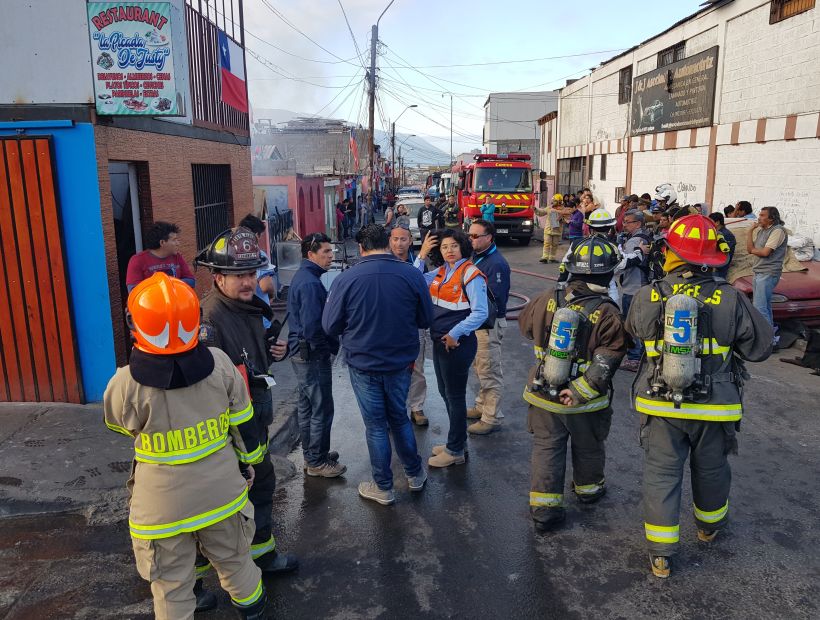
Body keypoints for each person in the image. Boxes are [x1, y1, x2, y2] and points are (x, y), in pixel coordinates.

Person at [104, 273, 267, 620]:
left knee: (170, 588)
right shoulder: (221, 364)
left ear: (136, 325)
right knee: (239, 565)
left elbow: (119, 425)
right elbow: (244, 424)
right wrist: (249, 463)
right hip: (222, 495)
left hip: (158, 509)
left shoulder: (124, 383)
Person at [624, 214, 773, 579]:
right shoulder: (729, 298)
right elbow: (760, 348)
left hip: (661, 403)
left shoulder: (648, 294)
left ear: (672, 252)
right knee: (711, 468)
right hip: (714, 406)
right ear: (713, 256)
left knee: (661, 473)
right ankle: (709, 527)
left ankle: (661, 555)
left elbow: (632, 337)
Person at [195, 227, 298, 576]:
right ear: (217, 277)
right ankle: (248, 563)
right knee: (242, 493)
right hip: (231, 431)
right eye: (239, 275)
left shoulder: (246, 308)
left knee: (259, 487)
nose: (248, 282)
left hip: (253, 421)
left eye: (252, 273)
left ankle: (260, 554)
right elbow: (211, 389)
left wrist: (275, 353)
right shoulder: (210, 320)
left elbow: (252, 361)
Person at [519, 236, 626, 532]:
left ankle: (544, 512)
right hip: (585, 402)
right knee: (589, 447)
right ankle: (588, 491)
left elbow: (527, 329)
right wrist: (581, 391)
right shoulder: (608, 311)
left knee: (546, 449)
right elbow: (611, 355)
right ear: (609, 272)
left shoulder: (546, 297)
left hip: (543, 394)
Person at [322, 224, 433, 505]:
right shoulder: (411, 274)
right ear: (388, 242)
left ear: (361, 248)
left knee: (375, 426)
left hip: (363, 364)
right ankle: (415, 474)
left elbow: (330, 325)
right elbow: (425, 319)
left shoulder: (346, 279)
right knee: (399, 417)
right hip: (400, 363)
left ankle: (383, 487)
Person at [416, 229, 489, 467]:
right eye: (444, 247)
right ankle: (456, 442)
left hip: (457, 344)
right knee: (446, 393)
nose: (449, 250)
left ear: (463, 247)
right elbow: (413, 280)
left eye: (453, 246)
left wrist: (455, 333)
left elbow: (481, 312)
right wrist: (422, 255)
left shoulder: (470, 273)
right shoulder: (442, 271)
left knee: (455, 396)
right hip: (440, 342)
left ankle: (456, 449)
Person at [288, 233, 344, 478]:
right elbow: (313, 327)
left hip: (303, 353)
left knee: (308, 407)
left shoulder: (306, 277)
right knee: (320, 408)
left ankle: (314, 455)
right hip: (311, 355)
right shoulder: (310, 283)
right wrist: (326, 350)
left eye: (331, 252)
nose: (331, 257)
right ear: (311, 254)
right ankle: (316, 461)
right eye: (326, 253)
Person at [466, 220, 510, 435]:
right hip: (479, 325)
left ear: (489, 238)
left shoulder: (495, 264)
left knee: (489, 370)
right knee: (481, 367)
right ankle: (481, 405)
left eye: (475, 236)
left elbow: (491, 300)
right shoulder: (480, 257)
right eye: (470, 235)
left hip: (487, 325)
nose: (470, 239)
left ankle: (491, 417)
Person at [391, 225, 428, 425]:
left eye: (403, 239)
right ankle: (396, 410)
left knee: (417, 368)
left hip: (414, 324)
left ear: (410, 241)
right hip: (390, 325)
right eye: (395, 239)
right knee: (393, 369)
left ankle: (417, 407)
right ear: (389, 241)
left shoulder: (419, 263)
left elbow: (422, 289)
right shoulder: (385, 263)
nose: (399, 243)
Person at [617, 210, 652, 371]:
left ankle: (634, 357)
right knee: (643, 322)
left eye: (628, 222)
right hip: (643, 286)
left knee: (631, 324)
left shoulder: (634, 241)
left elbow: (622, 262)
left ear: (637, 224)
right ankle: (643, 354)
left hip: (633, 288)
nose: (624, 225)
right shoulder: (645, 236)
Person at [746, 206, 787, 341]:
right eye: (760, 214)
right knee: (765, 306)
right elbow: (749, 249)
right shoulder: (761, 231)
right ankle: (771, 338)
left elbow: (765, 252)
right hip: (759, 271)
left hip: (768, 272)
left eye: (763, 215)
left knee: (760, 308)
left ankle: (765, 340)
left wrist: (753, 250)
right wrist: (750, 231)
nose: (759, 217)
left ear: (771, 218)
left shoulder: (778, 231)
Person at [126, 221, 195, 292]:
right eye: (174, 240)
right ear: (162, 242)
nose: (178, 243)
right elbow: (133, 290)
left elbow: (191, 281)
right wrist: (165, 285)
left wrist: (169, 284)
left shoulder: (177, 257)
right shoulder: (137, 260)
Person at [238, 214, 278, 330]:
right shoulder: (259, 255)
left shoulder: (233, 255)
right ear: (256, 235)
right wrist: (272, 294)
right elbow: (266, 286)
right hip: (260, 319)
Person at [537, 193, 565, 263]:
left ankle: (552, 257)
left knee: (555, 245)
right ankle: (545, 257)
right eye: (553, 200)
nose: (552, 202)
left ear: (559, 201)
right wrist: (535, 209)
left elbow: (567, 219)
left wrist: (561, 219)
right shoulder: (549, 208)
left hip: (557, 230)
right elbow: (541, 212)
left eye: (554, 200)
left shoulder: (563, 210)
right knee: (546, 243)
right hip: (548, 230)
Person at [709, 212, 736, 279]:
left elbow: (723, 252)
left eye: (710, 222)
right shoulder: (715, 233)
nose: (708, 224)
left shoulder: (726, 235)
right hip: (713, 267)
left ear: (717, 222)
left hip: (719, 269)